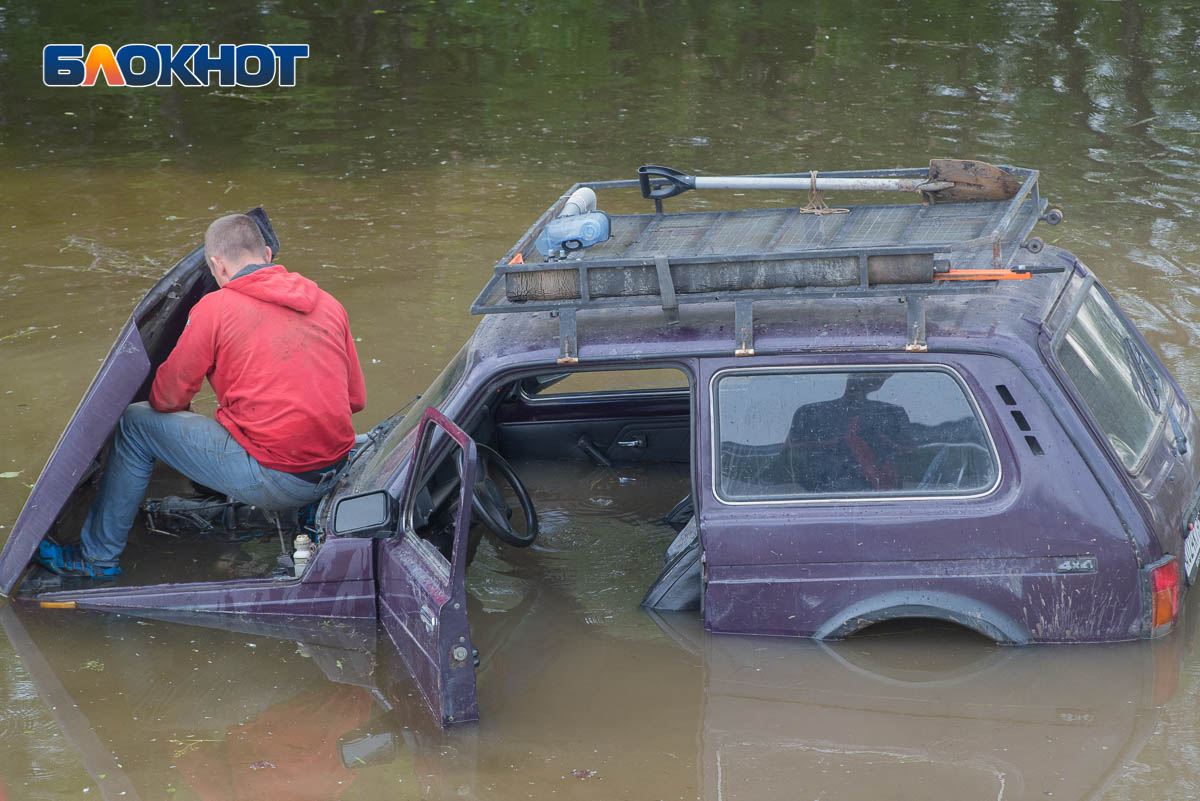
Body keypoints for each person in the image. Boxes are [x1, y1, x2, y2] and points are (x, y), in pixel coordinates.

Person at [37, 214, 366, 579]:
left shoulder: (215, 309)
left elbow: (166, 398)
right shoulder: (328, 303)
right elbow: (354, 400)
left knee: (135, 425)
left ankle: (96, 558)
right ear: (268, 254)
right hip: (334, 468)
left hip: (280, 481)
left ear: (217, 266)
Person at [781, 372, 913, 493]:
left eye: (877, 376)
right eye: (860, 374)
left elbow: (910, 456)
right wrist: (835, 444)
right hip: (819, 493)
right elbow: (788, 454)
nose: (864, 379)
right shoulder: (808, 413)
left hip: (885, 495)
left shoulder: (893, 413)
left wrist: (884, 442)